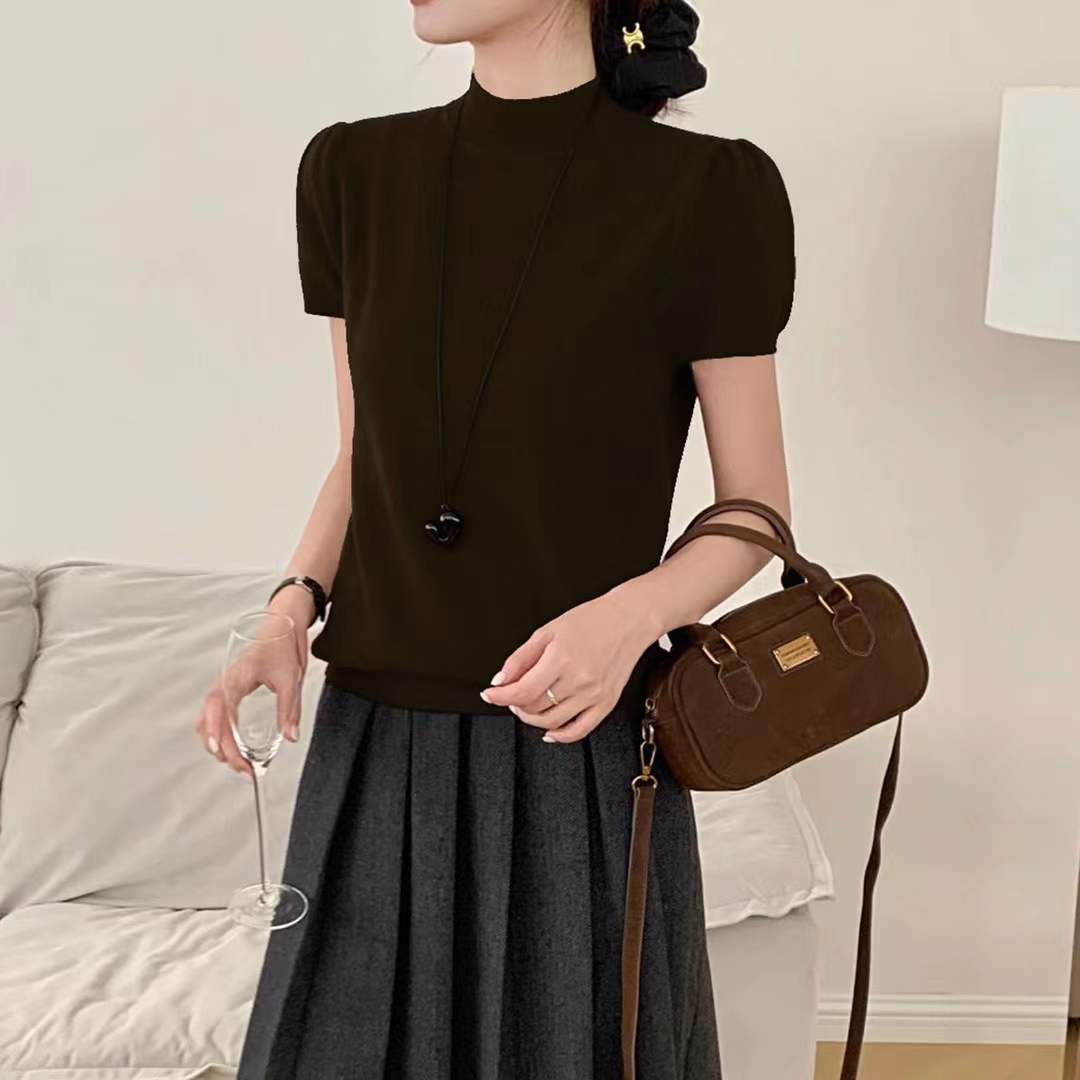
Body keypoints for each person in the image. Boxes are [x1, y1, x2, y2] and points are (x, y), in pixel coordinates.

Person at [196, 1, 829, 1076]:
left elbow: (756, 511)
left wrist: (627, 620)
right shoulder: (351, 173)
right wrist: (289, 610)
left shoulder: (712, 191)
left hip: (573, 749)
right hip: (373, 745)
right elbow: (363, 457)